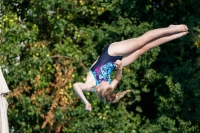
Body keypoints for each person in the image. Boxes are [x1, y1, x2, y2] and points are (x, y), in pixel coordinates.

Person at [73, 24, 189, 112]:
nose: (107, 83)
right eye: (109, 85)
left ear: (98, 89)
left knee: (141, 41)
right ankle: (175, 35)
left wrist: (86, 102)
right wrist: (120, 68)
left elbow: (76, 85)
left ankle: (171, 29)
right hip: (117, 63)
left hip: (111, 52)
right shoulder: (108, 89)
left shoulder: (89, 86)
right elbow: (117, 79)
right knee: (144, 48)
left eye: (106, 84)